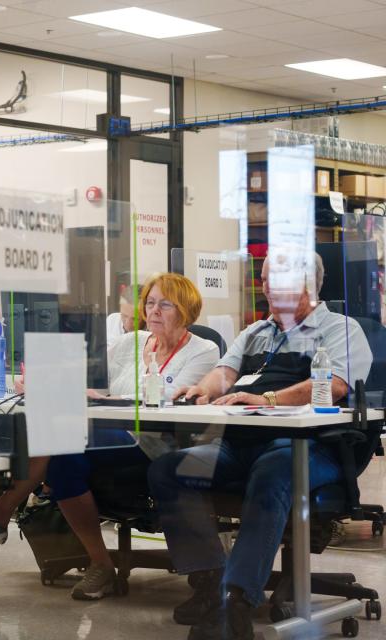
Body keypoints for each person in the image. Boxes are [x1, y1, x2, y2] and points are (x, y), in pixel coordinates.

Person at [0, 273, 220, 601]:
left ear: (186, 309)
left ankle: (0, 510)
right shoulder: (132, 342)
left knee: (60, 435)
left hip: (155, 442)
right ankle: (101, 565)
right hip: (106, 433)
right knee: (62, 460)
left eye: (165, 304)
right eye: (149, 303)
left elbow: (173, 400)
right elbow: (88, 375)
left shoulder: (204, 349)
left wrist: (109, 392)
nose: (154, 310)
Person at [148, 252, 372, 640]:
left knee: (273, 473)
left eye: (276, 279)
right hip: (241, 443)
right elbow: (225, 372)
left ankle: (236, 602)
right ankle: (210, 580)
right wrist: (201, 389)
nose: (265, 287)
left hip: (308, 446)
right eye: (264, 279)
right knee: (170, 469)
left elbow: (335, 385)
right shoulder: (257, 331)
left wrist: (265, 400)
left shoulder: (340, 328)